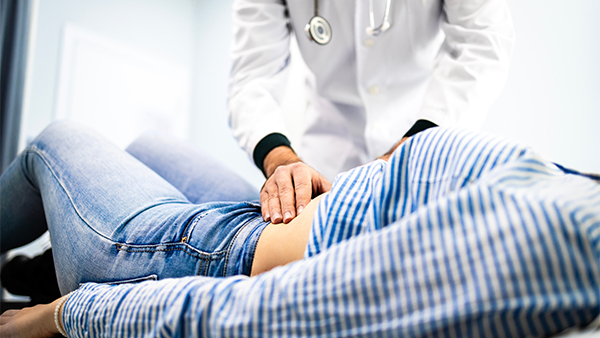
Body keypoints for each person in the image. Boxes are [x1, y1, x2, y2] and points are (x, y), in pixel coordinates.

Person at [1, 121, 599, 337]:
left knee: (54, 144)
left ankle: (56, 277)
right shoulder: (581, 189)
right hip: (294, 209)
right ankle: (44, 266)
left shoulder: (569, 234)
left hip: (208, 254)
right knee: (148, 145)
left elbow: (266, 313)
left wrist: (64, 316)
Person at [227, 0, 516, 225]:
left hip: (426, 127)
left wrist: (414, 145)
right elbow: (251, 79)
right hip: (326, 155)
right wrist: (280, 159)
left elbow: (481, 44)